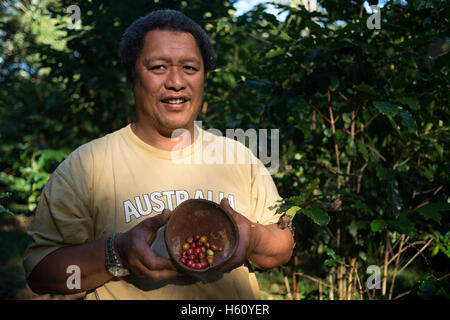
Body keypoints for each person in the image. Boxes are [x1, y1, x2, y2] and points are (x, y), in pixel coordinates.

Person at [23, 9, 294, 300]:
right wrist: (116, 254)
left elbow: (282, 248)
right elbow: (40, 275)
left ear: (203, 77)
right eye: (158, 68)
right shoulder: (86, 166)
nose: (176, 81)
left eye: (190, 68)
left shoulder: (240, 158)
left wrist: (252, 238)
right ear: (132, 77)